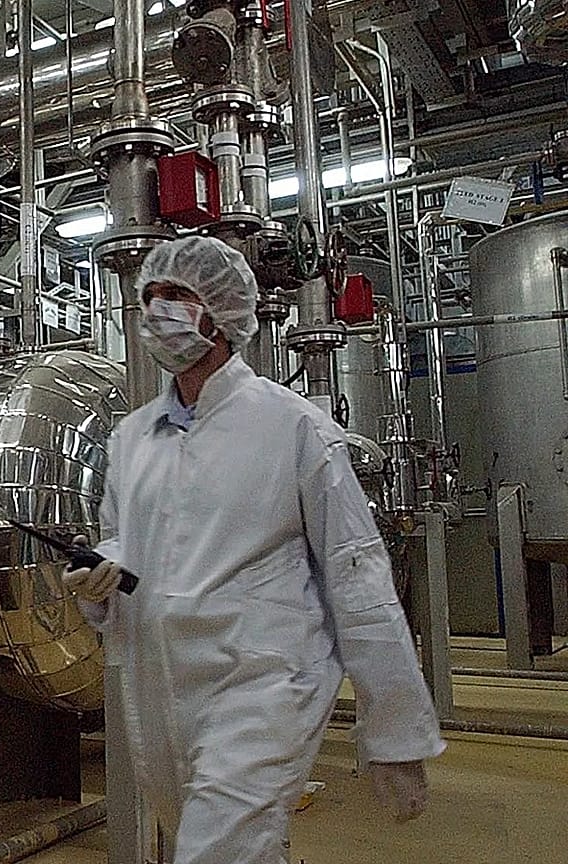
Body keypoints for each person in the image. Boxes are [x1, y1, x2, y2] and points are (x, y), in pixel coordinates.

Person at [64, 236, 444, 864]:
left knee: (217, 849)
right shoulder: (133, 439)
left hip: (263, 682)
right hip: (161, 687)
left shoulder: (292, 426)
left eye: (177, 297)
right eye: (150, 297)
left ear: (221, 312)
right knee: (222, 842)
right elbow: (126, 543)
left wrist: (396, 729)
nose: (159, 311)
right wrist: (102, 576)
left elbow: (358, 576)